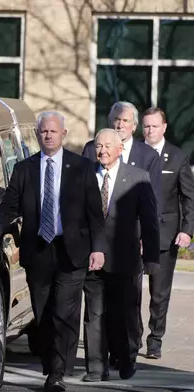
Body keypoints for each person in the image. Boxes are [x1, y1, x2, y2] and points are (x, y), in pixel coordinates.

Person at [0, 111, 105, 392]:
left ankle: (56, 373)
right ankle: (52, 364)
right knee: (43, 313)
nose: (48, 136)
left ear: (63, 134)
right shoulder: (25, 169)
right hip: (38, 251)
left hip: (72, 252)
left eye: (53, 132)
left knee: (64, 312)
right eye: (44, 131)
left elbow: (95, 214)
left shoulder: (81, 168)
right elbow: (9, 206)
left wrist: (99, 249)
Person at [78, 100, 162, 369]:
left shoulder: (144, 162)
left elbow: (150, 210)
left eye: (125, 120)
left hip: (127, 251)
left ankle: (126, 354)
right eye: (116, 119)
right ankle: (96, 364)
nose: (120, 124)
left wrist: (150, 252)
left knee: (126, 307)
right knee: (95, 311)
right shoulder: (89, 159)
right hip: (93, 253)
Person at [141, 107, 194, 359]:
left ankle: (155, 339)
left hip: (165, 233)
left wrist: (187, 230)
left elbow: (188, 197)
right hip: (132, 234)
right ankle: (131, 336)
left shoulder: (177, 157)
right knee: (128, 291)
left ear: (164, 127)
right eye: (146, 126)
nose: (150, 130)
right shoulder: (133, 153)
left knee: (159, 292)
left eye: (154, 126)